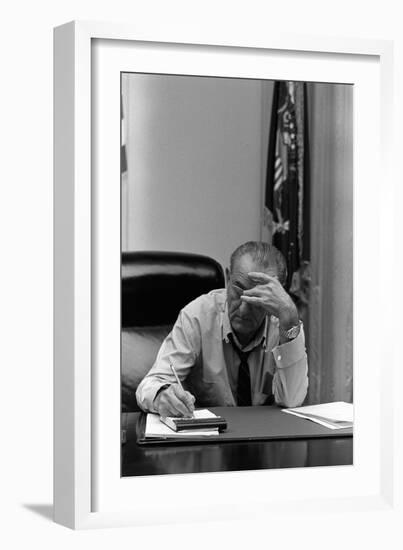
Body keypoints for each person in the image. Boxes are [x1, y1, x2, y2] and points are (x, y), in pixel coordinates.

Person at [136, 241, 308, 417]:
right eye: (238, 289)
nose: (243, 309)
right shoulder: (198, 316)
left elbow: (292, 400)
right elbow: (150, 384)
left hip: (265, 436)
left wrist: (290, 318)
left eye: (257, 298)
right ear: (227, 278)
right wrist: (161, 396)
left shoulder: (283, 323)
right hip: (209, 438)